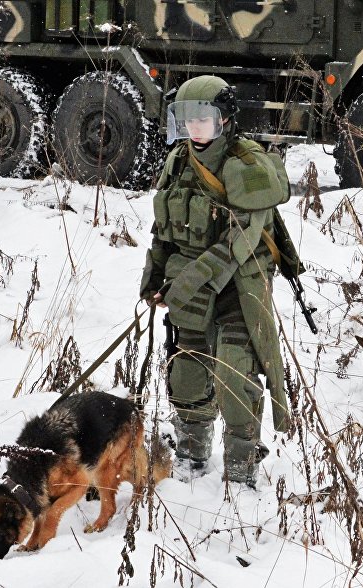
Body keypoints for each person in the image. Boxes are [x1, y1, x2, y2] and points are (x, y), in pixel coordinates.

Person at [139, 75, 290, 488]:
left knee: (236, 376)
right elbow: (164, 229)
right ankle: (191, 456)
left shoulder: (247, 164)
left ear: (224, 119)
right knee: (187, 372)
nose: (193, 127)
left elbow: (241, 237)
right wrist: (154, 274)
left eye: (201, 118)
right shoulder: (178, 162)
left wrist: (189, 281)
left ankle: (241, 473)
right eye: (185, 118)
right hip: (186, 285)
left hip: (237, 285)